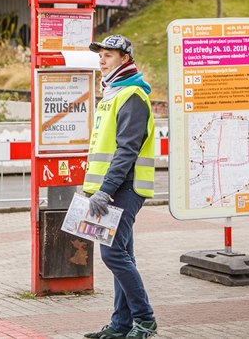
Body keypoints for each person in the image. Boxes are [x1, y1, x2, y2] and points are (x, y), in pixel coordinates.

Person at [82, 34, 158, 339]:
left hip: (125, 187)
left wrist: (105, 189)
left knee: (112, 254)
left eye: (109, 55)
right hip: (113, 188)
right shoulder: (113, 93)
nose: (102, 60)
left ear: (125, 59)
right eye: (100, 55)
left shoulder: (132, 96)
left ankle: (145, 319)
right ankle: (120, 325)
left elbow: (127, 150)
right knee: (123, 254)